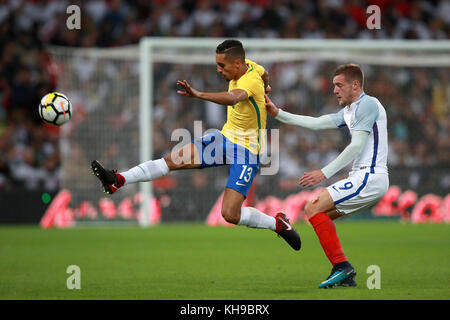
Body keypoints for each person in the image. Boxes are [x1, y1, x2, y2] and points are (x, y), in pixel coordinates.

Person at [91, 40, 301, 250]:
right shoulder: (254, 67)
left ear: (237, 63)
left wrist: (199, 94)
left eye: (222, 66)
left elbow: (232, 97)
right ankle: (118, 180)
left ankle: (278, 224)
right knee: (172, 160)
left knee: (230, 214)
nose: (218, 70)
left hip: (247, 152)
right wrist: (268, 86)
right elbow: (265, 74)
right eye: (217, 64)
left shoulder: (250, 80)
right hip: (224, 139)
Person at [265, 63, 389, 288]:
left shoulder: (368, 104)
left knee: (312, 207)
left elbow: (355, 146)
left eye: (339, 85)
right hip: (363, 178)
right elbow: (315, 123)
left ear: (355, 85)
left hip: (369, 176)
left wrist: (324, 173)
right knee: (315, 213)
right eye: (334, 85)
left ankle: (342, 267)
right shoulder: (350, 111)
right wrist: (278, 113)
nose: (335, 90)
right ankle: (343, 272)